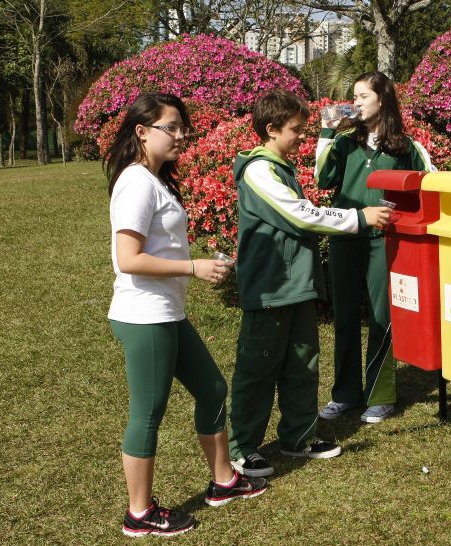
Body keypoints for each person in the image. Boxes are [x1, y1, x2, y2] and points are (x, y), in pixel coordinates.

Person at [105, 92, 268, 538]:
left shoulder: (154, 179)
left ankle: (223, 481)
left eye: (183, 128)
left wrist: (192, 264)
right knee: (148, 413)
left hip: (166, 312)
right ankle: (139, 513)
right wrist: (192, 267)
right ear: (142, 132)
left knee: (212, 388)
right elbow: (128, 258)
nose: (181, 135)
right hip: (145, 315)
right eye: (171, 127)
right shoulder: (136, 182)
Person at [228, 90, 392, 477]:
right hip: (270, 290)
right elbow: (301, 215)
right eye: (296, 130)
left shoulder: (280, 167)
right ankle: (243, 448)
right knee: (258, 369)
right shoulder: (258, 170)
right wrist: (360, 218)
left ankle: (299, 437)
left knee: (302, 364)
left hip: (297, 286)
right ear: (271, 129)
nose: (302, 137)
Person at [314, 71, 435, 424]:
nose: (355, 103)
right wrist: (327, 132)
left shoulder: (406, 147)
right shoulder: (344, 143)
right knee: (345, 317)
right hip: (345, 238)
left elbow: (428, 186)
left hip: (385, 242)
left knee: (382, 317)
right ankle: (345, 394)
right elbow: (323, 180)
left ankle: (381, 395)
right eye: (354, 97)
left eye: (363, 96)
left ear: (382, 99)